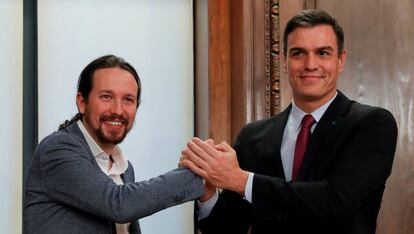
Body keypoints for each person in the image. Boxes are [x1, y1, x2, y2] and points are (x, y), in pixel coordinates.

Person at [180, 9, 398, 234]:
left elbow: (336, 201)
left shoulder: (372, 124)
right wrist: (207, 192)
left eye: (323, 52)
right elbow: (229, 228)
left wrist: (240, 180)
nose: (310, 64)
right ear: (284, 61)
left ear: (341, 60)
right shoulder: (253, 137)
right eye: (298, 53)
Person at [24, 55, 204, 234]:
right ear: (82, 102)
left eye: (128, 100)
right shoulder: (58, 148)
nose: (118, 110)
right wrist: (200, 174)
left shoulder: (125, 169)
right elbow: (119, 204)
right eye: (106, 97)